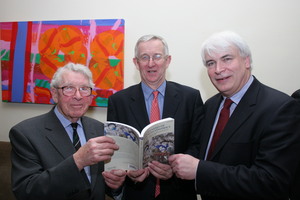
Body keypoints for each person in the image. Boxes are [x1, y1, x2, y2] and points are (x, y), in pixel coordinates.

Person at [169, 31, 300, 200]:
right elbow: (207, 155)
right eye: (210, 63)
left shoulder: (281, 108)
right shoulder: (210, 106)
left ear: (246, 61)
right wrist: (174, 167)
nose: (218, 69)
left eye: (227, 59)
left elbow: (272, 181)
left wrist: (199, 170)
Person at [9, 63, 126, 200]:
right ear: (54, 94)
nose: (78, 96)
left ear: (90, 96)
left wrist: (115, 186)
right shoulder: (25, 133)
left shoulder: (100, 129)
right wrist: (78, 160)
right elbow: (27, 191)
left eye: (84, 89)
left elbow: (97, 185)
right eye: (69, 88)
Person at [107, 34, 204, 200]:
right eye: (144, 57)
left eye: (157, 56)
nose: (151, 63)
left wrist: (175, 168)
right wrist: (128, 171)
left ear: (168, 60)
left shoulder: (191, 97)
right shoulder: (118, 101)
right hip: (136, 192)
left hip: (179, 192)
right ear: (136, 63)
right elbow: (115, 151)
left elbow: (199, 144)